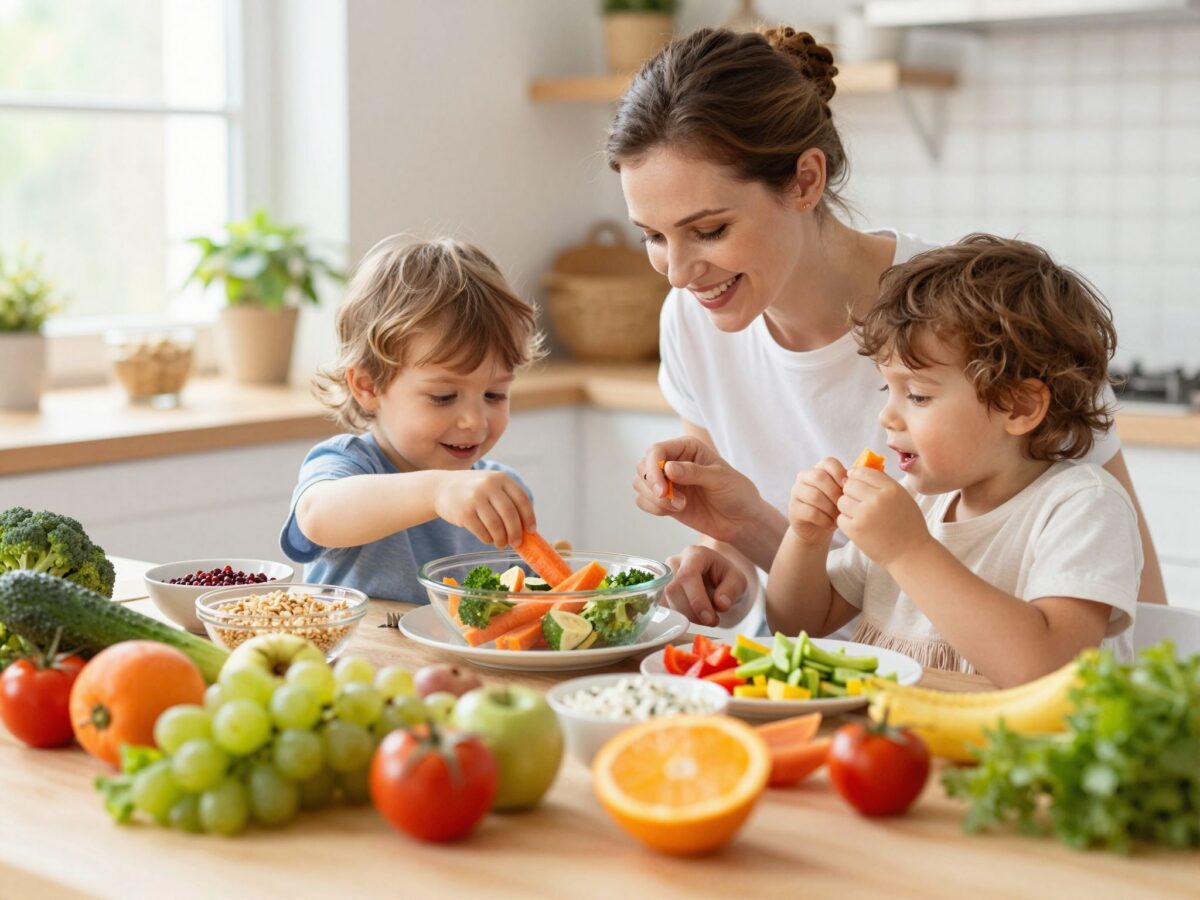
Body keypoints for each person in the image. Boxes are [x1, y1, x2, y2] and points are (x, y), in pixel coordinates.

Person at [609, 25, 1166, 629]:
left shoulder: (976, 318)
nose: (679, 273)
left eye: (710, 230)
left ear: (805, 180)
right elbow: (807, 589)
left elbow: (1129, 585)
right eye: (653, 237)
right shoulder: (693, 324)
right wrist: (720, 558)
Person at [768, 235, 1141, 686]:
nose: (887, 415)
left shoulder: (1082, 508)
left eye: (919, 395)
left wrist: (909, 550)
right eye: (890, 389)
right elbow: (797, 624)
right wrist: (805, 538)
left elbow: (1047, 669)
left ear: (1019, 408)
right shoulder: (915, 504)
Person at [279, 236, 545, 601]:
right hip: (363, 657)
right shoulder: (351, 464)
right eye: (444, 397)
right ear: (368, 386)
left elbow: (534, 598)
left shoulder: (499, 494)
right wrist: (438, 491)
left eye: (494, 395)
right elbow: (316, 516)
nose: (474, 421)